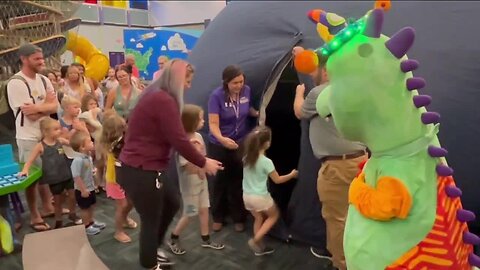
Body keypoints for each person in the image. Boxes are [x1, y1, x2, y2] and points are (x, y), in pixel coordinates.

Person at [116, 59, 223, 270]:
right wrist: (203, 161)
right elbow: (178, 139)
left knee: (172, 202)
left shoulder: (157, 95)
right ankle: (150, 264)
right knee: (150, 220)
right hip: (142, 170)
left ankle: (154, 249)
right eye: (188, 81)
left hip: (147, 168)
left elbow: (171, 135)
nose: (189, 86)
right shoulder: (163, 99)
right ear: (176, 79)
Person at [292, 47, 368, 270]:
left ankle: (341, 264)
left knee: (337, 218)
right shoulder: (353, 88)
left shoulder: (319, 93)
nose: (311, 72)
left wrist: (298, 92)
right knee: (357, 215)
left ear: (325, 71)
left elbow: (300, 112)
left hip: (338, 166)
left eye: (314, 68)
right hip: (361, 161)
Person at [7, 43, 59, 232]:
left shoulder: (44, 80)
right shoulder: (16, 83)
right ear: (24, 59)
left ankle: (47, 206)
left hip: (46, 135)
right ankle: (35, 215)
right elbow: (30, 116)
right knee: (32, 178)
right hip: (28, 137)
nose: (41, 61)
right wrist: (45, 106)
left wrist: (40, 107)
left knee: (45, 174)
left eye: (41, 58)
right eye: (37, 58)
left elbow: (55, 107)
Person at [167, 104, 224, 255]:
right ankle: (173, 237)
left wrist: (209, 165)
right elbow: (189, 167)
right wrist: (204, 166)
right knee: (189, 213)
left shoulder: (198, 137)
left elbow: (203, 159)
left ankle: (206, 239)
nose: (203, 121)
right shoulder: (183, 144)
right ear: (191, 122)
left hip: (201, 181)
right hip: (190, 185)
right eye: (200, 119)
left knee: (204, 209)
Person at [207, 65, 259, 232]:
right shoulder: (216, 96)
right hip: (219, 145)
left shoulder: (247, 91)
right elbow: (213, 123)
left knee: (237, 181)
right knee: (219, 182)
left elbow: (246, 109)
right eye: (235, 83)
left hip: (239, 144)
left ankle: (239, 217)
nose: (239, 86)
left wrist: (256, 113)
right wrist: (222, 139)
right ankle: (217, 217)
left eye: (241, 82)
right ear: (226, 82)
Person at [242, 126, 298, 256]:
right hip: (260, 197)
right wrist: (292, 174)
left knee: (258, 218)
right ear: (266, 143)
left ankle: (259, 247)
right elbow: (277, 180)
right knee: (273, 216)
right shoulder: (266, 162)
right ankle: (255, 240)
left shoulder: (246, 157)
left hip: (246, 196)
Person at [19, 117, 82, 229]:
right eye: (56, 129)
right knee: (57, 200)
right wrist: (25, 169)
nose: (60, 131)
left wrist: (81, 143)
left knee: (72, 196)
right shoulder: (40, 146)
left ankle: (73, 214)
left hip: (66, 174)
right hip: (54, 178)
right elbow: (30, 160)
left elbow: (73, 145)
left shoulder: (60, 141)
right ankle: (58, 221)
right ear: (46, 132)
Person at [100, 112, 137, 243]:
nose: (127, 128)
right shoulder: (114, 145)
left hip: (125, 178)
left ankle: (125, 219)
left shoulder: (121, 141)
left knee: (131, 202)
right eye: (123, 127)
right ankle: (118, 231)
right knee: (122, 205)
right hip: (115, 180)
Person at [70, 131, 106, 235]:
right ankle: (86, 225)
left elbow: (88, 170)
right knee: (85, 208)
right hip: (83, 190)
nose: (92, 143)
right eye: (90, 142)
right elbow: (76, 176)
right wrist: (83, 190)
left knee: (91, 206)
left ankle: (91, 221)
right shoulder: (78, 160)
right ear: (82, 147)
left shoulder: (88, 157)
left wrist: (93, 171)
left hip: (90, 187)